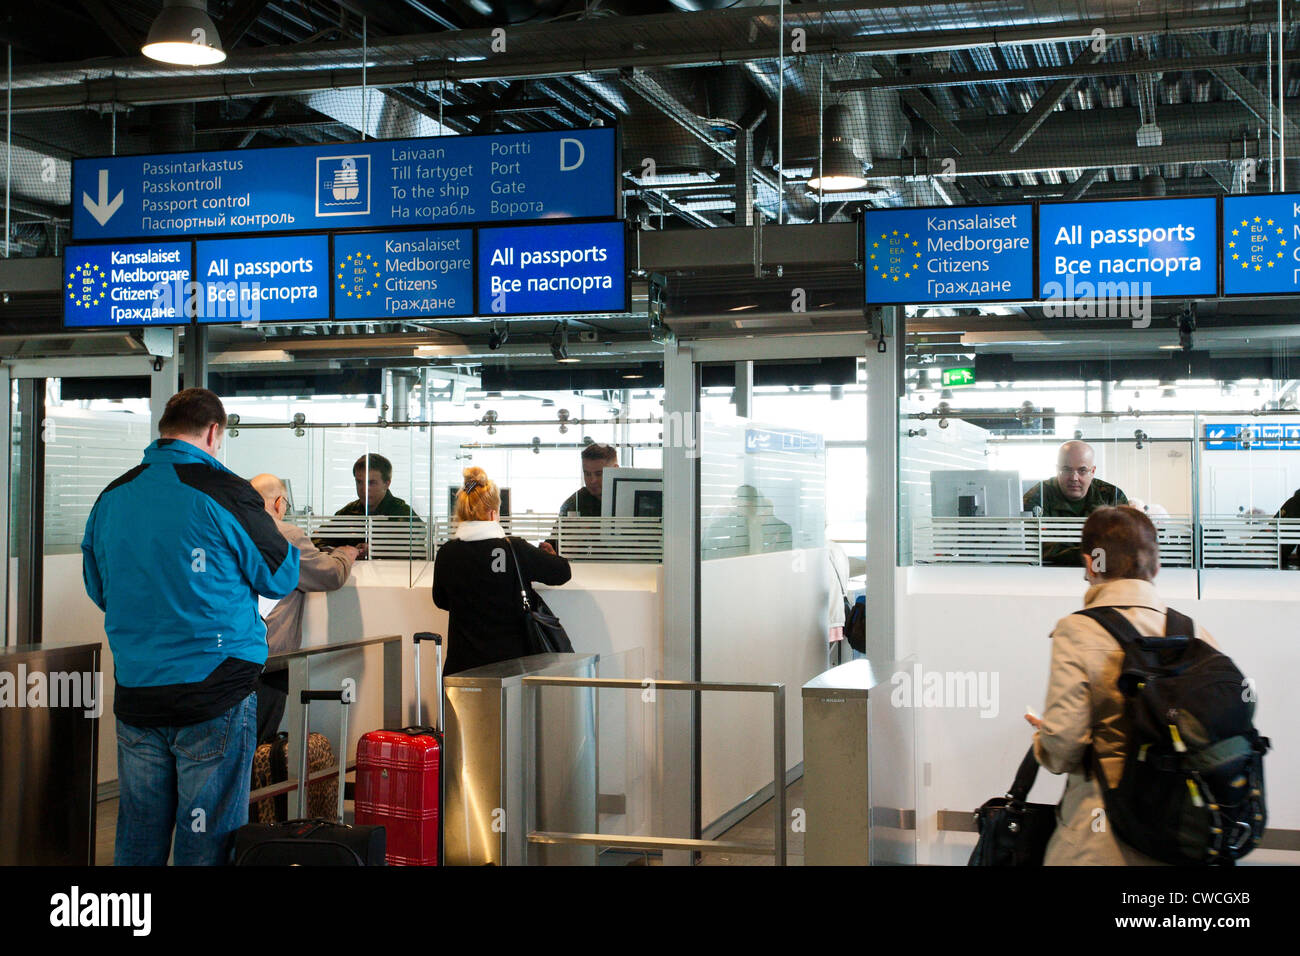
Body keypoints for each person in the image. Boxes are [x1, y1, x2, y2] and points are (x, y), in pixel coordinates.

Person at [81, 388, 300, 866]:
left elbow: (99, 588)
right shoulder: (225, 491)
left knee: (139, 835)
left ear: (164, 430)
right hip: (214, 693)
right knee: (207, 837)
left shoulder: (111, 497)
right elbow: (281, 574)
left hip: (138, 693)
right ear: (214, 431)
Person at [1025, 505, 1218, 865]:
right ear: (1156, 566)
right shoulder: (1194, 633)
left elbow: (1063, 745)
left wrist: (1044, 737)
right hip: (1186, 830)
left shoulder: (1077, 631)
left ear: (1089, 564)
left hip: (1104, 837)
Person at [249, 473, 359, 744]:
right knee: (257, 742)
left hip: (228, 656)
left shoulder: (232, 530)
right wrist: (346, 554)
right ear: (278, 502)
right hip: (269, 659)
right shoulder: (286, 535)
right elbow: (327, 575)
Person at [435, 467, 572, 675]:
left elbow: (440, 600)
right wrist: (552, 556)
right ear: (493, 514)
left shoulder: (447, 552)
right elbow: (562, 573)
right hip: (512, 667)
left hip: (462, 668)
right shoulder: (513, 548)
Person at [1022, 440, 1128, 565]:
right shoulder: (1038, 496)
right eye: (1066, 470)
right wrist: (1091, 554)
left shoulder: (1111, 496)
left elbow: (1124, 544)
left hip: (1101, 572)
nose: (1074, 478)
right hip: (1050, 573)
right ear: (1057, 470)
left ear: (1092, 471)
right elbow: (1031, 546)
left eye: (1082, 470)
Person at [314, 452, 424, 554]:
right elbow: (316, 540)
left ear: (387, 484)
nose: (364, 489)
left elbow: (418, 547)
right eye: (359, 482)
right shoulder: (349, 511)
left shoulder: (402, 513)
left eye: (371, 483)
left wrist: (375, 549)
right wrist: (342, 551)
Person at [559, 443, 618, 517]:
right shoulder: (575, 503)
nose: (592, 480)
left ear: (615, 470)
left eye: (599, 474)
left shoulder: (629, 499)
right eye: (587, 474)